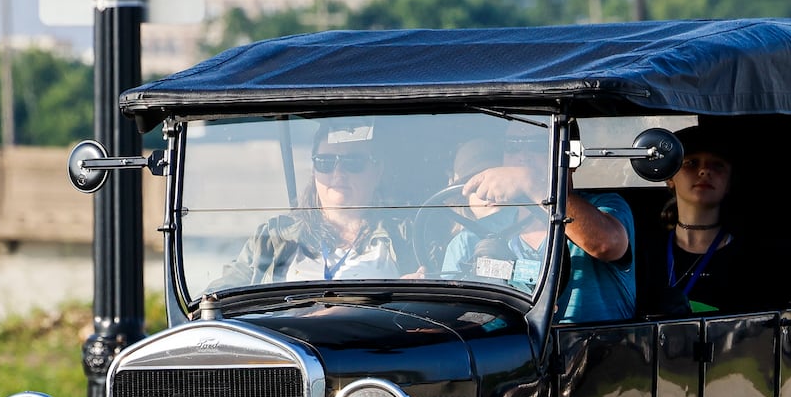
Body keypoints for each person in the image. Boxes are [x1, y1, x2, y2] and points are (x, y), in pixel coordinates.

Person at [441, 128, 635, 322]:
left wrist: (531, 182)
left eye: (538, 146)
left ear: (572, 158)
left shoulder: (605, 208)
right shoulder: (473, 237)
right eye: (513, 147)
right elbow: (447, 319)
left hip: (592, 347)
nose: (522, 158)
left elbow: (607, 244)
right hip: (506, 348)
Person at [214, 122, 413, 287]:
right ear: (313, 170)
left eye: (353, 162)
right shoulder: (273, 238)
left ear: (378, 171)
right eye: (325, 162)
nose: (338, 173)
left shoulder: (408, 236)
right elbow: (216, 299)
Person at [643, 123, 741, 315]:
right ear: (670, 177)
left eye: (717, 165)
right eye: (691, 163)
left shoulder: (750, 257)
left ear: (729, 182)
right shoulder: (646, 252)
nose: (704, 171)